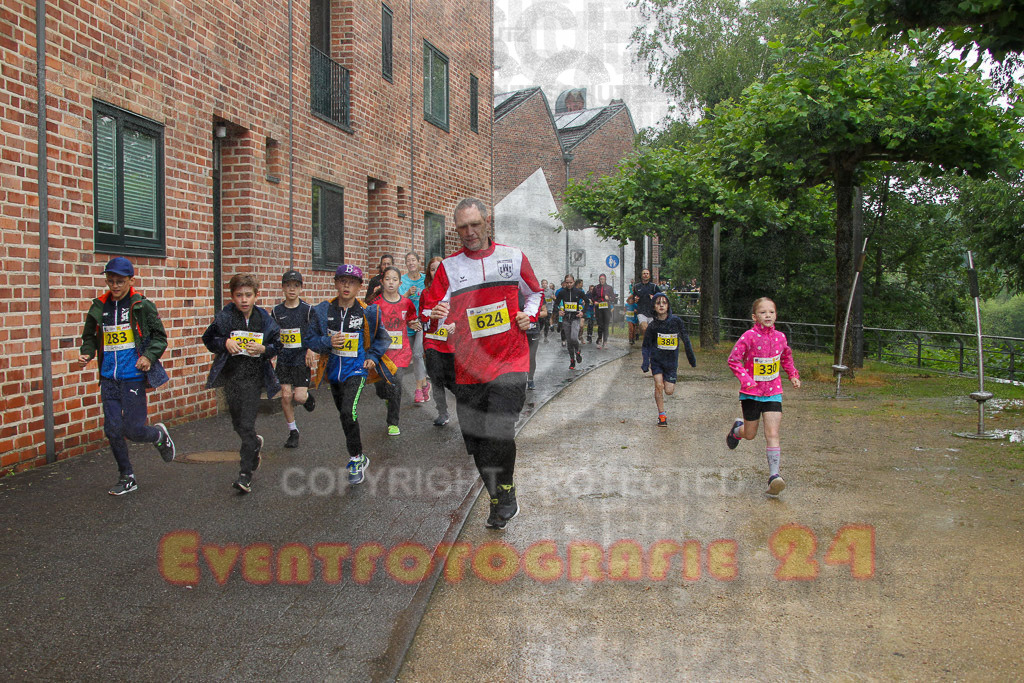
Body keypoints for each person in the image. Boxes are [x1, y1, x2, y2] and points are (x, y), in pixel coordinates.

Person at [422, 197, 542, 530]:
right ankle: (495, 496)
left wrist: (527, 316)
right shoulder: (449, 268)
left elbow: (535, 294)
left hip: (510, 360)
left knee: (499, 430)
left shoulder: (513, 257)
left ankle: (506, 492)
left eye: (475, 224)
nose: (470, 232)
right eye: (463, 227)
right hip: (469, 368)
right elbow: (428, 313)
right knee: (476, 441)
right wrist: (435, 317)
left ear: (487, 222)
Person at [77, 257, 175, 495]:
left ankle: (158, 435)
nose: (115, 286)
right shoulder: (99, 306)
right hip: (109, 377)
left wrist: (148, 357)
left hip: (133, 375)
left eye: (120, 281)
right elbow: (89, 336)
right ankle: (126, 476)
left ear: (131, 280)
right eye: (110, 281)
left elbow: (160, 337)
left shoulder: (142, 306)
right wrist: (87, 353)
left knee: (132, 429)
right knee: (112, 429)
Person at [307, 264, 393, 485]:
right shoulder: (322, 311)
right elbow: (310, 340)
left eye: (352, 282)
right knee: (345, 415)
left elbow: (383, 339)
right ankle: (361, 456)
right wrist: (327, 342)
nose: (346, 286)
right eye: (342, 281)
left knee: (348, 410)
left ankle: (355, 458)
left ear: (359, 286)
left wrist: (372, 357)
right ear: (336, 283)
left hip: (357, 370)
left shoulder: (368, 311)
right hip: (333, 372)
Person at [202, 273, 281, 494]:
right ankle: (254, 443)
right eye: (239, 295)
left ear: (256, 296)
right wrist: (224, 342)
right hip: (231, 376)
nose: (244, 300)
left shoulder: (263, 318)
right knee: (238, 423)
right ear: (232, 297)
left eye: (248, 295)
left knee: (246, 423)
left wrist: (264, 349)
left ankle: (245, 474)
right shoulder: (226, 316)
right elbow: (208, 339)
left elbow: (278, 343)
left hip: (254, 377)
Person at [725, 296, 801, 496]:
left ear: (776, 315)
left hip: (773, 392)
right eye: (763, 312)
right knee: (750, 434)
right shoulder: (748, 337)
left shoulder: (781, 337)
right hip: (751, 394)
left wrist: (793, 375)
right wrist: (746, 380)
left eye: (771, 312)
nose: (768, 315)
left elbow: (786, 357)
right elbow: (733, 360)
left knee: (773, 434)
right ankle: (736, 430)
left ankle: (774, 477)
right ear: (754, 316)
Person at [271, 269, 317, 449]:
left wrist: (311, 349)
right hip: (284, 359)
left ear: (300, 288)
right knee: (286, 395)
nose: (292, 289)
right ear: (283, 288)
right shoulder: (276, 311)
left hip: (301, 359)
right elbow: (272, 334)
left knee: (299, 396)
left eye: (296, 286)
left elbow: (315, 332)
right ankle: (293, 431)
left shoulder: (307, 310)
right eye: (288, 286)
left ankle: (308, 398)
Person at [375, 265, 420, 435]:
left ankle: (393, 422)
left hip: (401, 352)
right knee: (381, 387)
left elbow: (411, 319)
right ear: (382, 282)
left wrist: (413, 323)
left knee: (395, 383)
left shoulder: (406, 303)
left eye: (394, 280)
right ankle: (387, 396)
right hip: (382, 353)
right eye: (387, 279)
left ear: (400, 283)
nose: (391, 283)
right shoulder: (376, 305)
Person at [641, 292, 696, 427]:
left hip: (671, 362)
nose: (661, 305)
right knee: (659, 385)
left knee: (669, 391)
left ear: (668, 306)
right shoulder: (652, 326)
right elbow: (646, 345)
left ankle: (667, 385)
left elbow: (686, 340)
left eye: (664, 303)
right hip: (657, 361)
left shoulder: (676, 321)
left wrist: (691, 358)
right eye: (658, 303)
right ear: (654, 307)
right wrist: (645, 362)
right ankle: (662, 415)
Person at [421, 256, 455, 426]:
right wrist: (429, 316)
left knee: (452, 379)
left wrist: (454, 324)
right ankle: (442, 412)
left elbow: (463, 313)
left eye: (439, 268)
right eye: (433, 269)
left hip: (450, 343)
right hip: (431, 341)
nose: (436, 272)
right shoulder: (425, 293)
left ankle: (468, 408)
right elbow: (422, 315)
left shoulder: (454, 291)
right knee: (435, 377)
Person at [400, 251, 431, 404]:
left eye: (413, 260)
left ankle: (418, 389)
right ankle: (425, 384)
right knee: (414, 355)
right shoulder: (402, 280)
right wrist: (407, 293)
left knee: (418, 354)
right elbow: (398, 301)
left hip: (421, 321)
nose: (411, 263)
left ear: (419, 262)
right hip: (408, 322)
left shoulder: (425, 280)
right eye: (408, 261)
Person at [553, 274, 586, 370]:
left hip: (575, 318)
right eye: (567, 283)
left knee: (573, 338)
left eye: (571, 282)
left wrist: (582, 312)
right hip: (566, 319)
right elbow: (556, 304)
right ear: (564, 283)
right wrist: (558, 310)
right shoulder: (562, 292)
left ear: (574, 281)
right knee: (569, 341)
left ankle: (578, 351)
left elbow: (587, 302)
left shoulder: (579, 292)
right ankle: (572, 360)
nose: (569, 285)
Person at [633, 268, 659, 367]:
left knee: (652, 332)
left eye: (647, 273)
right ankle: (647, 345)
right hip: (641, 312)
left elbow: (660, 297)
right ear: (641, 275)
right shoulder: (637, 286)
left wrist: (655, 299)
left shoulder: (654, 286)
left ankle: (650, 346)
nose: (645, 275)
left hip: (652, 313)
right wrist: (635, 300)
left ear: (649, 275)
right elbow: (634, 299)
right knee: (644, 328)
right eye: (644, 273)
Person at [591, 273, 616, 349]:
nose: (602, 280)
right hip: (599, 307)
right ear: (599, 280)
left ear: (605, 280)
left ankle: (605, 341)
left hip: (606, 308)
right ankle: (599, 339)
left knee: (606, 325)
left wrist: (609, 298)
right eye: (601, 279)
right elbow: (592, 297)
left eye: (603, 279)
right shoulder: (596, 288)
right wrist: (594, 301)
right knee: (600, 325)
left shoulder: (609, 288)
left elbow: (613, 298)